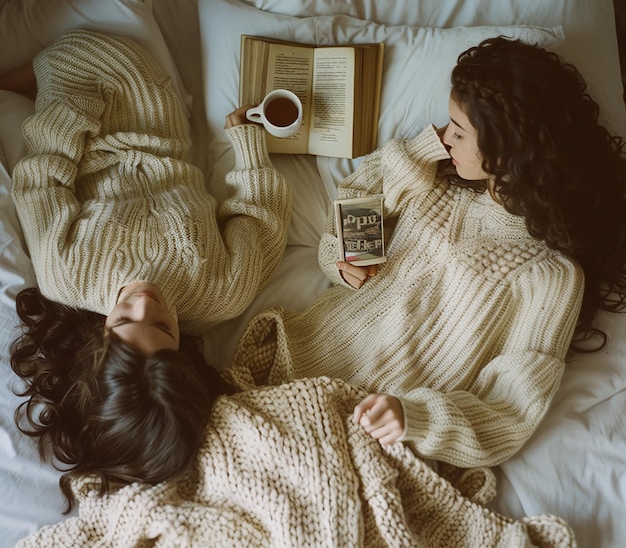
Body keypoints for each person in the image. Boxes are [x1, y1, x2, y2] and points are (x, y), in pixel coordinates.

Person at [233, 36, 626, 469]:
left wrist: (415, 418)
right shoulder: (437, 180)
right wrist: (345, 261)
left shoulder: (551, 275)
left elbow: (510, 409)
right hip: (313, 358)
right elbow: (360, 194)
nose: (445, 137)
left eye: (459, 131)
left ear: (508, 149)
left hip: (385, 432)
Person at [6, 29, 292, 508]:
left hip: (78, 118)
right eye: (163, 326)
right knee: (92, 56)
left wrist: (74, 109)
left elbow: (41, 180)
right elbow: (259, 218)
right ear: (184, 354)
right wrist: (249, 140)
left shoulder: (67, 276)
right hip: (152, 108)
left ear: (96, 345)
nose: (143, 301)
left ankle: (30, 76)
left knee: (61, 55)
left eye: (122, 321)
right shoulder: (221, 291)